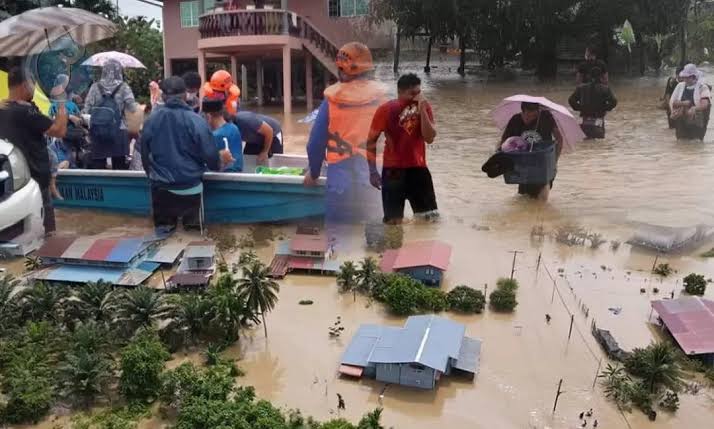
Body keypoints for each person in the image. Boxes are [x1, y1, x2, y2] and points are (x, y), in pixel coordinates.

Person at [304, 42, 386, 238]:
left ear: (340, 67)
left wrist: (314, 173)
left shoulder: (332, 100)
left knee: (338, 242)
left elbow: (315, 143)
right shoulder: (384, 98)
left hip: (340, 181)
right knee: (377, 242)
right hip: (375, 179)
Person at [140, 76, 233, 232]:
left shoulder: (151, 120)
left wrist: (152, 177)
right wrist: (219, 161)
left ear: (163, 96)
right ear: (184, 96)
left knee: (162, 236)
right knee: (194, 237)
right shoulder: (196, 120)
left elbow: (144, 154)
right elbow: (211, 158)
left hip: (161, 189)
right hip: (190, 187)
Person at [0, 67, 68, 235]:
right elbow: (59, 130)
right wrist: (61, 103)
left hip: (11, 182)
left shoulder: (3, 109)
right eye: (33, 85)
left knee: (17, 236)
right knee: (47, 237)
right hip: (35, 181)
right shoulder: (26, 112)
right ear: (25, 85)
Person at [366, 73, 438, 223]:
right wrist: (372, 171)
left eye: (419, 92)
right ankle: (394, 246)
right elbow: (371, 141)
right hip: (393, 171)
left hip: (418, 169)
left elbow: (429, 138)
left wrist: (423, 110)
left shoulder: (424, 106)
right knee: (393, 223)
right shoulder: (385, 110)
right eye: (412, 94)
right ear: (400, 92)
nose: (416, 97)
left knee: (428, 220)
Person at [499, 102, 563, 200]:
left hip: (544, 163)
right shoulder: (515, 119)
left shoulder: (546, 117)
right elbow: (504, 141)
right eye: (528, 115)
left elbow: (559, 139)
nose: (530, 118)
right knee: (524, 196)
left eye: (534, 116)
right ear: (522, 112)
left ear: (538, 112)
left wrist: (555, 160)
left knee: (542, 197)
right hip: (524, 164)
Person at [83, 59, 139, 170]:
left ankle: (100, 186)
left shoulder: (95, 87)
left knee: (98, 166)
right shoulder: (124, 87)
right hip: (119, 129)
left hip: (98, 130)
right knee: (119, 167)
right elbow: (132, 109)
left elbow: (86, 109)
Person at [568, 67, 617, 139]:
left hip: (584, 119)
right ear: (601, 77)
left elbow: (571, 100)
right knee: (599, 144)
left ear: (589, 76)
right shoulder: (605, 89)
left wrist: (580, 108)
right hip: (599, 119)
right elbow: (614, 102)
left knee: (586, 143)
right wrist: (604, 108)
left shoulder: (581, 88)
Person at [669, 63, 711, 140]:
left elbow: (705, 104)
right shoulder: (680, 86)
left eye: (687, 77)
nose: (685, 79)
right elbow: (673, 102)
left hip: (698, 121)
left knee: (696, 141)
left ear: (693, 77)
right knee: (681, 141)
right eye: (684, 77)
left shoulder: (702, 87)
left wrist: (694, 109)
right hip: (682, 118)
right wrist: (683, 103)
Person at [203, 97, 243, 172]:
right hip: (238, 172)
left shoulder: (215, 136)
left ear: (208, 116)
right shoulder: (234, 128)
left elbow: (210, 163)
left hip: (223, 178)